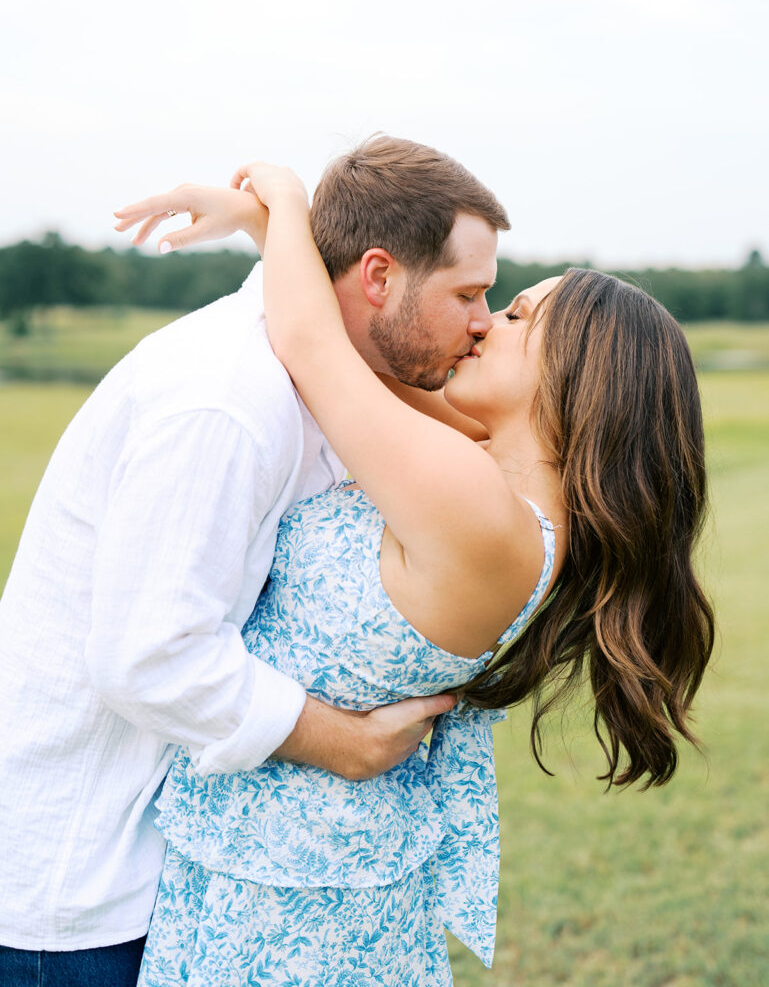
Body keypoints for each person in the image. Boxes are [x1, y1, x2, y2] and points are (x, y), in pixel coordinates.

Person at [123, 165, 714, 987]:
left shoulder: (476, 505)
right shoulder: (488, 481)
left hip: (295, 910)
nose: (483, 327)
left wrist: (290, 196)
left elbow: (310, 345)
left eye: (515, 315)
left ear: (578, 374)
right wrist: (274, 235)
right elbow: (366, 352)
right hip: (287, 865)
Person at [0, 137, 511, 986]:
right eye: (468, 292)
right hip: (76, 892)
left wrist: (278, 211)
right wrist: (341, 742)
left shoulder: (325, 375)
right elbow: (147, 657)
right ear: (378, 278)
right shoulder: (226, 404)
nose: (483, 320)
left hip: (160, 872)